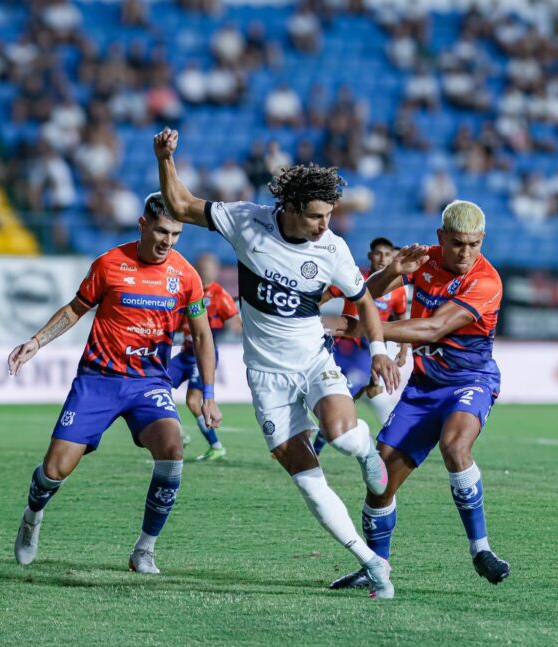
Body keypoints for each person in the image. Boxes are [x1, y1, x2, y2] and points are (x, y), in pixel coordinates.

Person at [153, 127, 398, 599]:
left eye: (328, 215)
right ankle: (371, 562)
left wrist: (380, 350)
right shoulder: (247, 222)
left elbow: (364, 300)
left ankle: (369, 453)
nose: (324, 225)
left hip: (311, 359)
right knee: (308, 481)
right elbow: (181, 205)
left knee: (345, 436)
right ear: (288, 209)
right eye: (314, 216)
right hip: (266, 377)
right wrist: (165, 158)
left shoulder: (333, 249)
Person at [7, 192, 221, 574]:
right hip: (98, 381)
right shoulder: (109, 264)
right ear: (143, 224)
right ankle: (32, 516)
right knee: (54, 470)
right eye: (160, 231)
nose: (167, 242)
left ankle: (144, 550)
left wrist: (208, 392)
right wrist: (36, 341)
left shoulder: (186, 276)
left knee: (172, 450)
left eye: (175, 234)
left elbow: (203, 336)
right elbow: (76, 309)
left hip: (149, 383)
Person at [327, 200, 511, 592]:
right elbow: (364, 295)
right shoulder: (423, 259)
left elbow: (433, 330)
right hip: (423, 388)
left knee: (454, 446)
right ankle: (375, 567)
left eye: (474, 244)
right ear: (441, 237)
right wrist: (391, 271)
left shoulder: (486, 282)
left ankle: (481, 549)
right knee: (379, 482)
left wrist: (363, 331)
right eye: (458, 243)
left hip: (469, 381)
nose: (466, 253)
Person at [314, 237, 409, 454]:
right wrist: (306, 311)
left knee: (351, 395)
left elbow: (401, 320)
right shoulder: (355, 278)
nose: (383, 259)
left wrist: (403, 350)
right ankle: (394, 444)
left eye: (388, 255)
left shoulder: (398, 291)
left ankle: (392, 447)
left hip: (367, 351)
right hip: (341, 346)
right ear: (370, 255)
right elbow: (325, 295)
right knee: (361, 394)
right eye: (379, 253)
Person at [167, 252, 240, 462]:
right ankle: (177, 434)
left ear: (216, 271)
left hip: (203, 355)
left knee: (193, 401)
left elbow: (234, 322)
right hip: (185, 353)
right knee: (157, 388)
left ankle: (216, 446)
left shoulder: (220, 295)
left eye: (209, 268)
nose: (205, 271)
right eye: (201, 267)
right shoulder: (188, 291)